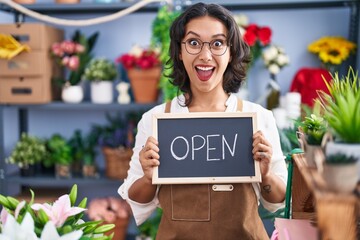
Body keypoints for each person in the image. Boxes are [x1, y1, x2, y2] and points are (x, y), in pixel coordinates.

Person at [119, 2, 287, 239]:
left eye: (217, 43)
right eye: (194, 43)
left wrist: (266, 175)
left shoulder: (258, 117)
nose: (205, 55)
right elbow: (136, 199)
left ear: (230, 52)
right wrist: (148, 177)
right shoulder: (155, 120)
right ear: (179, 50)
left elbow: (278, 200)